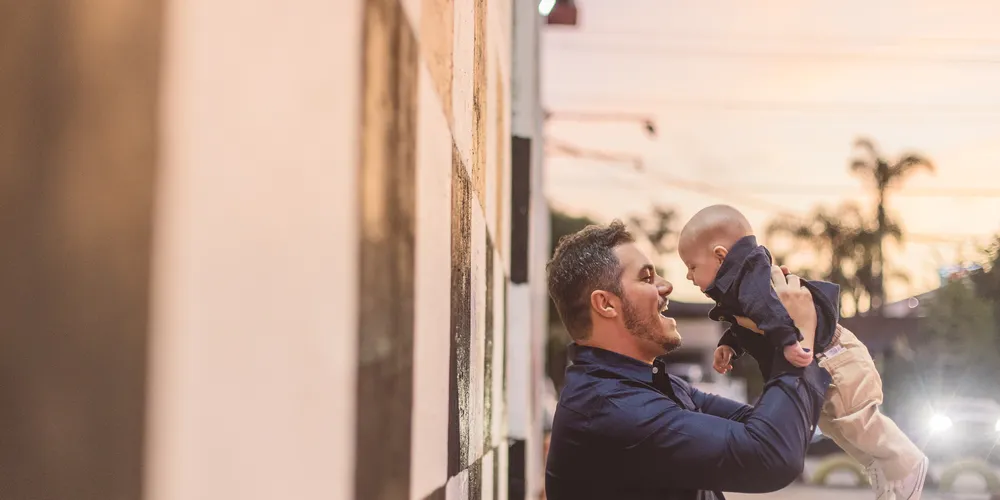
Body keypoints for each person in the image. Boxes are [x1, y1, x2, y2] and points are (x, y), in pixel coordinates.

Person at [544, 220, 829, 500]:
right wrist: (798, 334)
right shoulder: (612, 409)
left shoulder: (648, 386)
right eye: (646, 278)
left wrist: (769, 330)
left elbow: (770, 426)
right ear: (606, 304)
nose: (666, 286)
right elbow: (772, 454)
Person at [678, 204, 928, 500]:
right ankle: (884, 466)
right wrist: (731, 344)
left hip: (833, 354)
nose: (688, 277)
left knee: (857, 419)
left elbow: (769, 309)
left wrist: (790, 341)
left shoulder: (751, 275)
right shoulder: (740, 287)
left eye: (692, 266)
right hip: (822, 356)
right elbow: (754, 320)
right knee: (837, 426)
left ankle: (906, 462)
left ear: (720, 255)